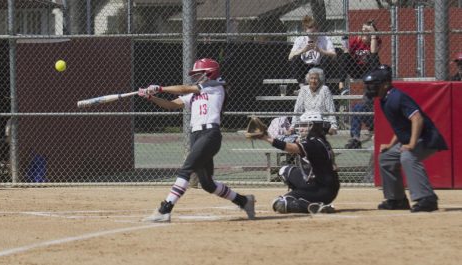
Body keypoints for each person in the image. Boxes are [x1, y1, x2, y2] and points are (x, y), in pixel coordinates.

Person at [139, 58, 255, 222]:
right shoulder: (195, 94)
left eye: (199, 74)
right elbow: (171, 105)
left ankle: (165, 210)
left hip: (210, 134)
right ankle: (244, 201)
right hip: (196, 136)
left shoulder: (216, 86)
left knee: (186, 169)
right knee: (208, 184)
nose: (196, 77)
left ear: (210, 73)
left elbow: (185, 88)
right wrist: (151, 97)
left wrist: (160, 88)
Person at [363, 65, 448, 212]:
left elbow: (417, 119)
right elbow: (402, 127)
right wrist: (390, 145)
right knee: (386, 157)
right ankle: (397, 200)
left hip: (428, 139)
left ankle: (427, 199)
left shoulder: (397, 97)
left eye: (374, 85)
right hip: (415, 138)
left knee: (408, 156)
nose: (370, 88)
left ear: (385, 84)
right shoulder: (384, 100)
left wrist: (411, 144)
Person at [257, 111, 340, 214]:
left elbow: (291, 148)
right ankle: (303, 196)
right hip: (323, 184)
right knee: (285, 170)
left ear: (313, 126)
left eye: (305, 125)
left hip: (321, 190)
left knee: (280, 203)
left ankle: (313, 206)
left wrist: (266, 138)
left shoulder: (313, 143)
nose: (301, 128)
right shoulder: (320, 140)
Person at [341, 20, 382, 149]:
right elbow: (347, 56)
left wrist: (373, 36)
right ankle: (358, 135)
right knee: (345, 55)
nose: (364, 32)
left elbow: (374, 52)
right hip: (357, 70)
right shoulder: (355, 40)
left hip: (370, 71)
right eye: (363, 29)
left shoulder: (376, 40)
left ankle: (355, 138)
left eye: (367, 30)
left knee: (373, 56)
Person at [288, 15, 336, 86]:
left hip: (319, 65)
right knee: (295, 58)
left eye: (314, 33)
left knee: (326, 58)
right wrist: (303, 50)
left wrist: (320, 50)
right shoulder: (300, 39)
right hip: (304, 66)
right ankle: (302, 85)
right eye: (309, 34)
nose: (312, 36)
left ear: (317, 30)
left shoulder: (325, 38)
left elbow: (334, 55)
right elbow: (290, 57)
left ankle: (321, 84)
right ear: (305, 31)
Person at [290, 67, 338, 135]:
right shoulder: (304, 90)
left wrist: (334, 126)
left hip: (321, 121)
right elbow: (297, 109)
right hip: (306, 120)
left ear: (320, 80)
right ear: (308, 79)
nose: (313, 81)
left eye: (316, 79)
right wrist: (292, 127)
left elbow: (331, 108)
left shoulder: (324, 89)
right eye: (311, 78)